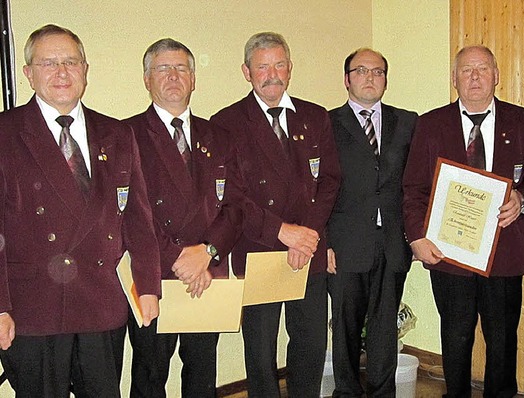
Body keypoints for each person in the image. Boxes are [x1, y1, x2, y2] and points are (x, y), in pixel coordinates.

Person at [0, 24, 161, 397]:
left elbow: (139, 220)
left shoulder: (117, 133)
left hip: (100, 301)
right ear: (28, 73)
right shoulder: (6, 133)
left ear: (85, 70)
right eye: (49, 63)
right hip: (33, 307)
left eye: (71, 62)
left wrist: (148, 286)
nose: (61, 72)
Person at [403, 45, 524, 397]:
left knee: (502, 341)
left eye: (482, 69)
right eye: (466, 70)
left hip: (504, 253)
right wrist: (417, 238)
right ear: (454, 79)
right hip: (449, 255)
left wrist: (522, 199)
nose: (475, 77)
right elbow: (413, 187)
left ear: (496, 75)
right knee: (455, 337)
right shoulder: (430, 123)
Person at [210, 32, 340, 397]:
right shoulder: (225, 123)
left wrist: (308, 235)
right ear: (246, 72)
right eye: (263, 66)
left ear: (290, 68)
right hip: (259, 249)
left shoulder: (315, 117)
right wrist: (284, 232)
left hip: (309, 251)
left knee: (311, 343)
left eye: (279, 65)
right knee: (261, 351)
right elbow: (231, 196)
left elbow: (329, 181)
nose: (272, 74)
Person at [124, 38, 243, 398]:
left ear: (194, 79)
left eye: (181, 69)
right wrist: (180, 258)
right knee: (149, 376)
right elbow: (131, 212)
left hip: (206, 274)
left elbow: (236, 207)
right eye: (162, 68)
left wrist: (206, 252)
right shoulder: (124, 134)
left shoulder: (218, 135)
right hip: (155, 276)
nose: (173, 76)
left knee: (202, 373)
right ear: (146, 79)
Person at [326, 48, 417, 397]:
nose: (369, 77)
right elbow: (316, 187)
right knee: (346, 329)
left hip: (393, 241)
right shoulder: (327, 123)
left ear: (386, 80)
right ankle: (346, 392)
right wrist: (324, 240)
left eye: (377, 72)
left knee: (384, 329)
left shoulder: (407, 122)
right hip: (346, 243)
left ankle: (383, 393)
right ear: (347, 78)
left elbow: (420, 180)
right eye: (361, 71)